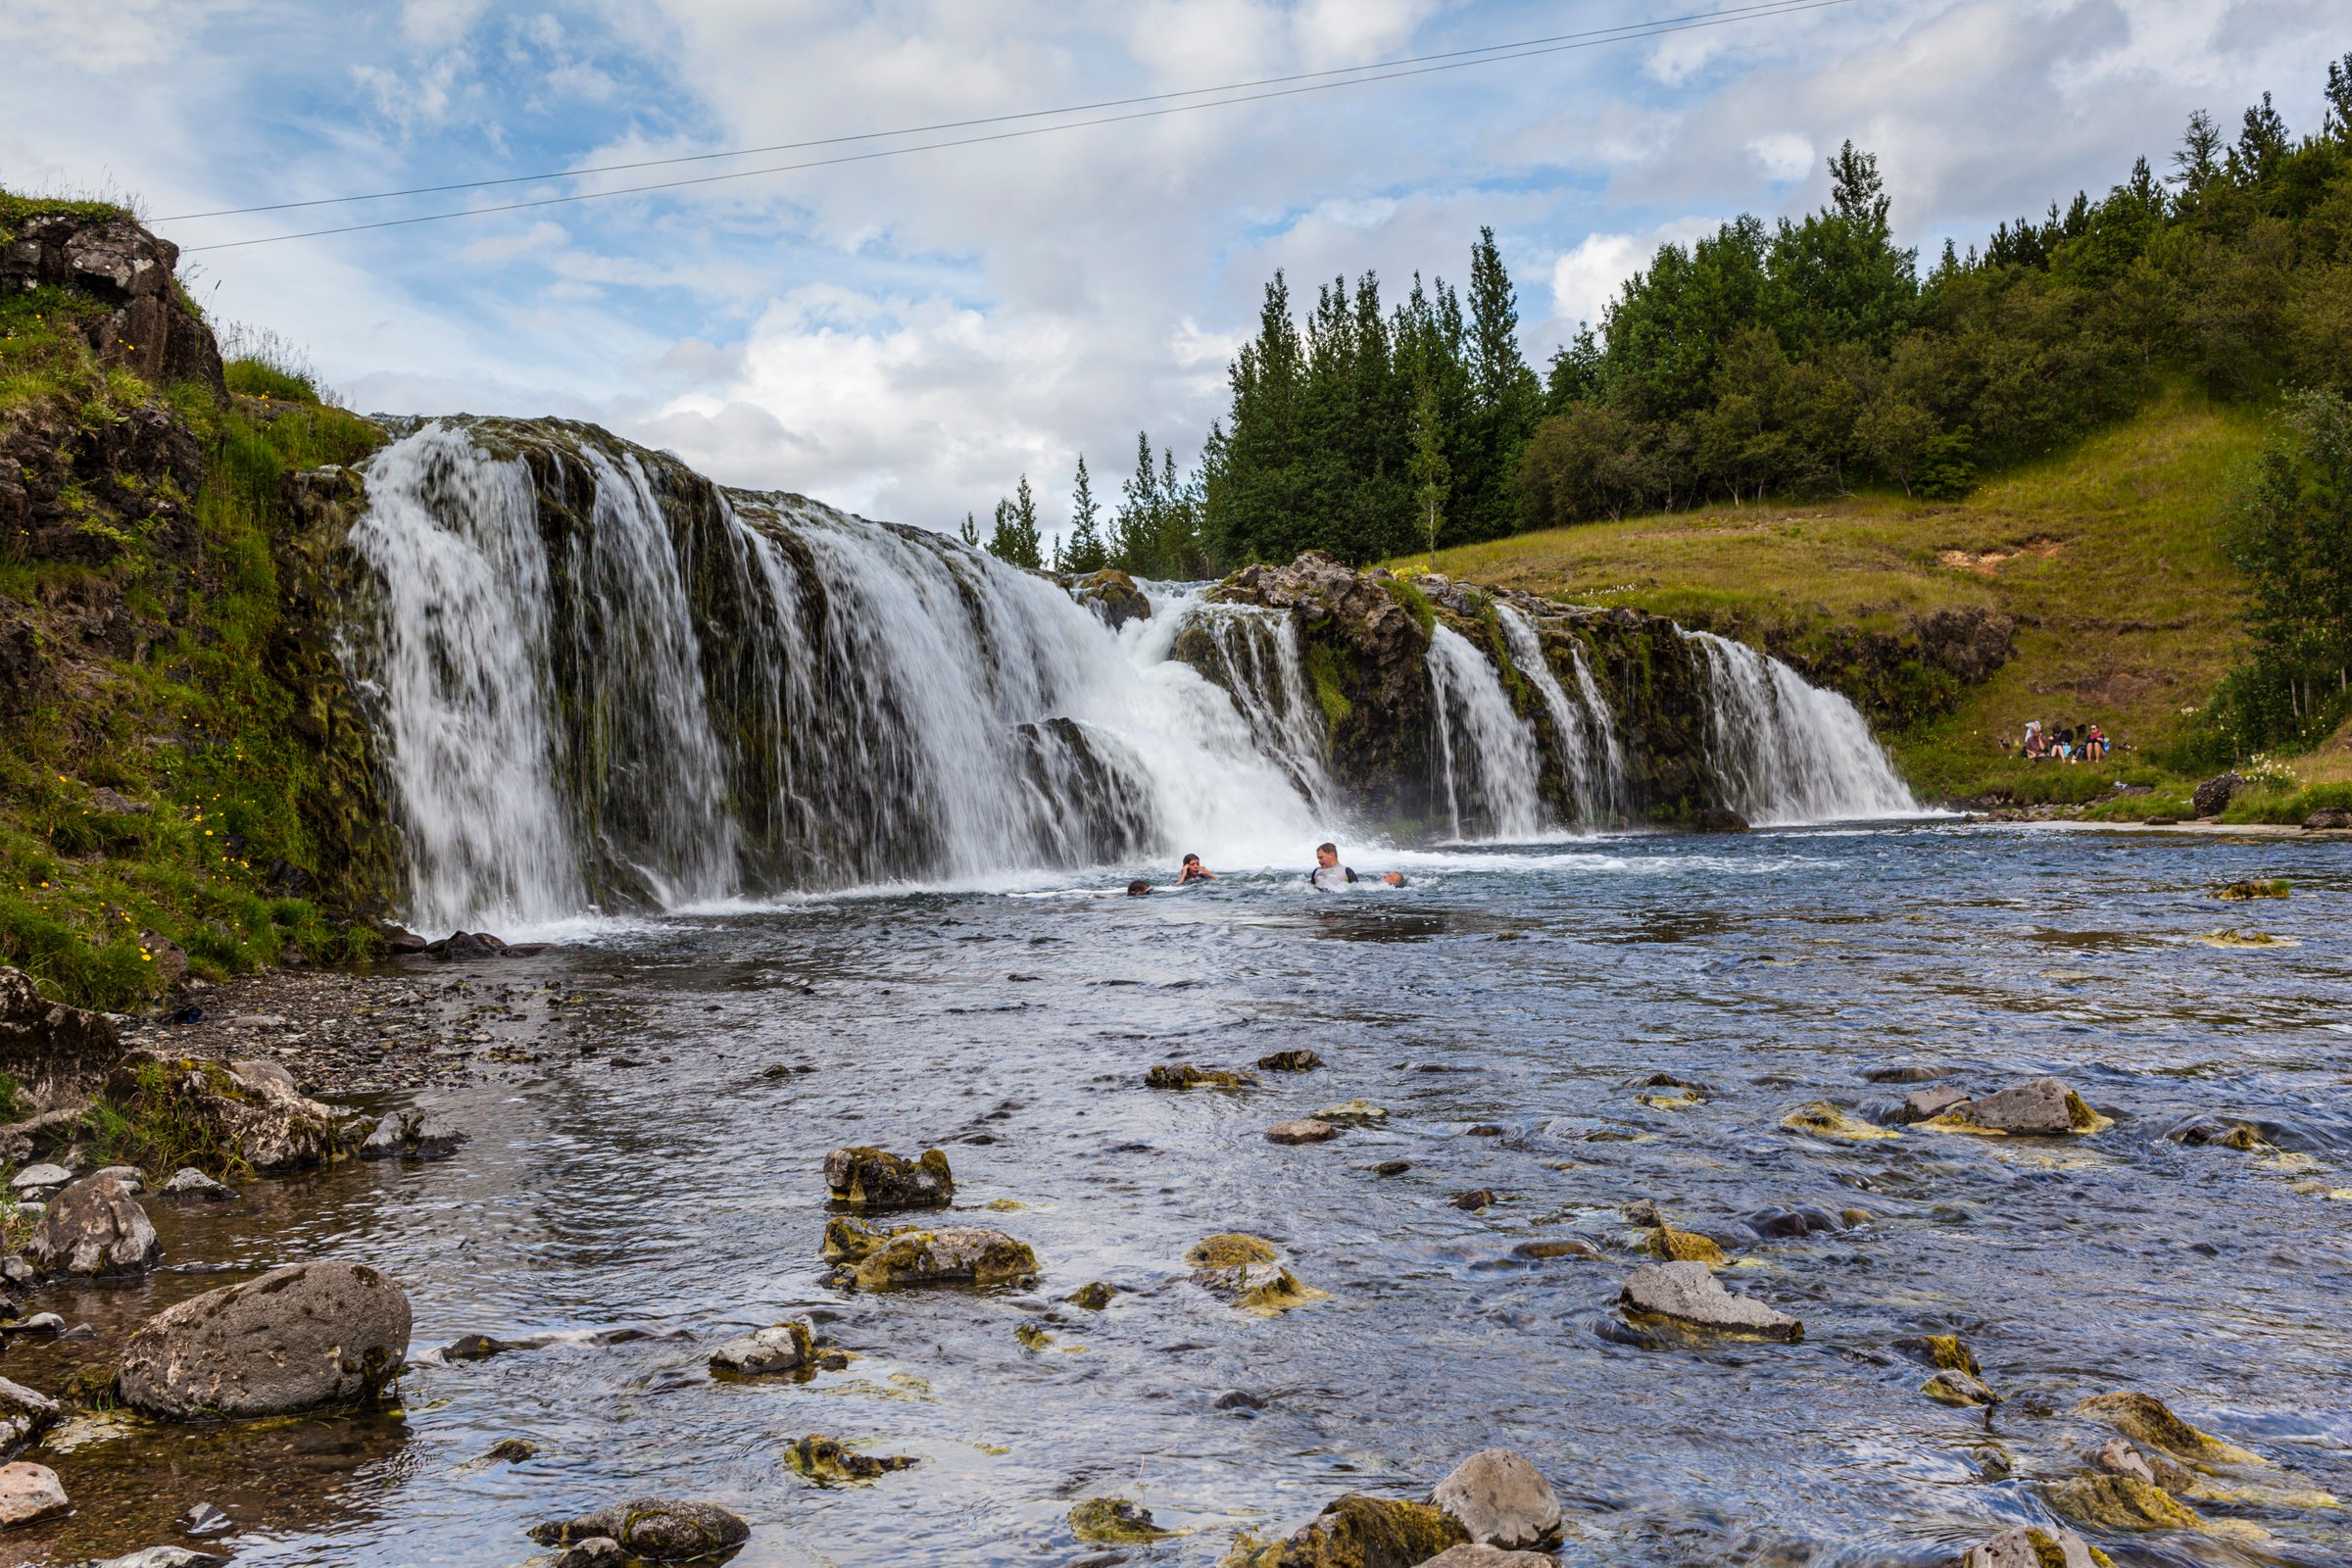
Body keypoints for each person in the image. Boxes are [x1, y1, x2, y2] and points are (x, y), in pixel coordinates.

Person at [1310, 841, 1403, 890]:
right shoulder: (1316, 871)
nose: (1319, 860)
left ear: (1332, 855)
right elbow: (1310, 889)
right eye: (1318, 858)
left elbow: (1356, 890)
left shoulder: (1346, 871)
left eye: (1321, 857)